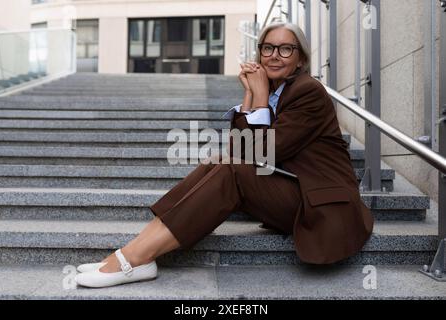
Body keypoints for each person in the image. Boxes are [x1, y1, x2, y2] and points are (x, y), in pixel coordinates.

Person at [74, 22, 374, 288]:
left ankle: (134, 258)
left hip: (325, 208)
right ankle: (136, 252)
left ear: (300, 60)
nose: (274, 55)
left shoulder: (308, 91)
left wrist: (257, 97)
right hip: (295, 193)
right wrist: (251, 94)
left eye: (285, 49)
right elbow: (238, 149)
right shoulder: (274, 92)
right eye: (268, 47)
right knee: (221, 161)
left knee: (232, 170)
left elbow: (264, 152)